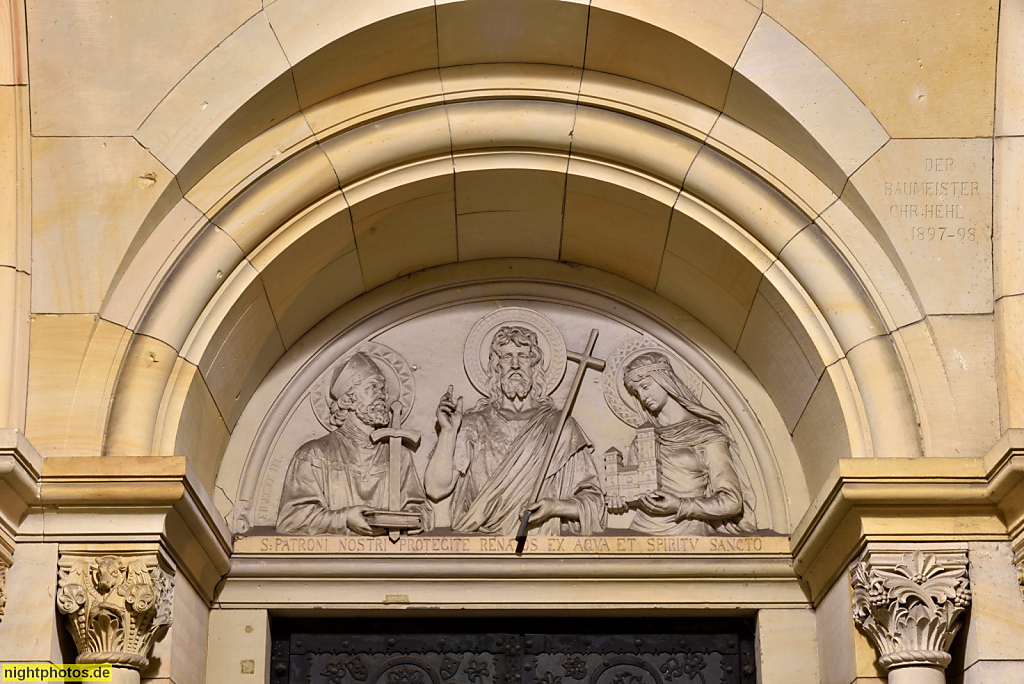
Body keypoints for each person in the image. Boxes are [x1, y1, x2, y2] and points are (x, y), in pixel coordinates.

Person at [425, 325, 605, 536]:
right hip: (478, 547)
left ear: (535, 366)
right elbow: (436, 490)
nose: (515, 365)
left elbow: (594, 502)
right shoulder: (473, 423)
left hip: (543, 547)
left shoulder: (559, 426)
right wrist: (447, 432)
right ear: (496, 366)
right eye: (506, 357)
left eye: (524, 357)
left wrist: (555, 507)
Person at [276, 352, 433, 535]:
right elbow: (291, 519)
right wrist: (343, 519)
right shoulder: (314, 454)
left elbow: (421, 510)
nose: (381, 396)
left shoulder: (398, 454)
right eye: (372, 388)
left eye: (382, 389)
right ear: (347, 399)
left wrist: (412, 519)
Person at [614, 351, 755, 535]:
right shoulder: (642, 439)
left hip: (689, 531)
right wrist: (621, 498)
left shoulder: (706, 435)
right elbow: (634, 487)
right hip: (642, 529)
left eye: (645, 386)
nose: (642, 396)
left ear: (664, 379)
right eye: (636, 392)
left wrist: (681, 505)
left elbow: (732, 501)